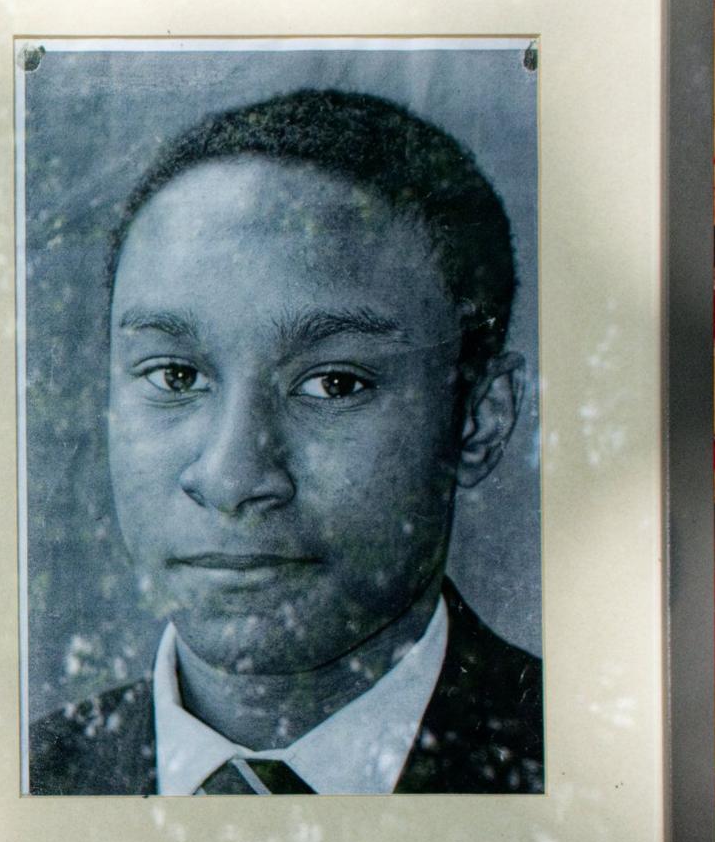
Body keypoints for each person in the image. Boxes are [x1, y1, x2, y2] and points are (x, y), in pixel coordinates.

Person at [28, 88, 543, 797]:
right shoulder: (18, 787)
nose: (233, 475)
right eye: (175, 375)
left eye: (334, 384)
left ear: (479, 419)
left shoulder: (585, 768)